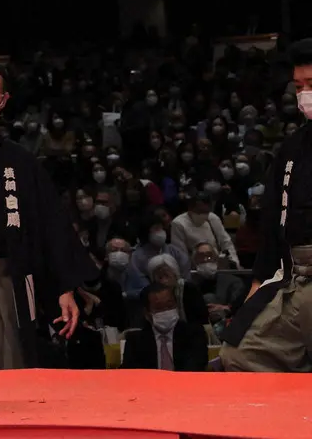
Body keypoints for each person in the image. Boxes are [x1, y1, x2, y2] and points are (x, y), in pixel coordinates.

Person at [0, 71, 94, 369]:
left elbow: (49, 223)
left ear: (4, 100)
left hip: (10, 277)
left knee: (11, 363)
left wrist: (63, 288)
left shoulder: (21, 161)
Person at [221, 38, 312, 371]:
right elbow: (275, 219)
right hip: (293, 276)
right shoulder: (293, 146)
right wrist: (258, 283)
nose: (304, 93)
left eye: (311, 84)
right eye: (300, 85)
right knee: (241, 355)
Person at [121, 283, 208, 371]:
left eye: (170, 306)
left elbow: (196, 366)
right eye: (159, 308)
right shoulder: (135, 342)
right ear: (147, 314)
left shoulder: (194, 334)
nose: (166, 311)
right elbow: (131, 373)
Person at [170, 192, 240, 267]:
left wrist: (234, 262)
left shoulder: (212, 218)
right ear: (190, 208)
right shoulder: (178, 223)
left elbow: (226, 242)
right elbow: (181, 254)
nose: (204, 215)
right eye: (200, 211)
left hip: (217, 264)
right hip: (194, 266)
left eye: (206, 212)